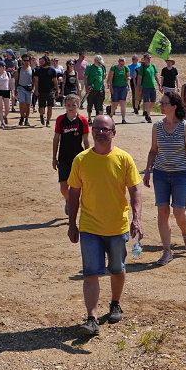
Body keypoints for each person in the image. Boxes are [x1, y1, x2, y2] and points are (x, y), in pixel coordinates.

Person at [66, 114, 143, 336]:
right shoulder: (81, 160)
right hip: (90, 227)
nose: (100, 132)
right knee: (90, 273)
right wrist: (72, 223)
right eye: (97, 128)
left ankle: (115, 303)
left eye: (105, 129)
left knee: (117, 269)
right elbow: (73, 193)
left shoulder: (124, 159)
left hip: (117, 226)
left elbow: (135, 190)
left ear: (113, 132)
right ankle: (91, 318)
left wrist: (136, 218)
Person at [143, 91, 186, 265]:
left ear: (174, 106)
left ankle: (185, 233)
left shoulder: (185, 126)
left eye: (165, 103)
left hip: (180, 174)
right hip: (160, 174)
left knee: (179, 212)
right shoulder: (157, 126)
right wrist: (147, 170)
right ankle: (167, 251)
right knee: (162, 211)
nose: (161, 105)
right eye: (161, 102)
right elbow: (153, 150)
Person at [53, 94, 90, 214]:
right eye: (68, 105)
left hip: (78, 158)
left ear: (78, 105)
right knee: (64, 187)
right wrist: (54, 157)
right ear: (64, 106)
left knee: (77, 185)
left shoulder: (83, 121)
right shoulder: (60, 120)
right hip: (63, 157)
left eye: (73, 105)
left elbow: (85, 140)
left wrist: (87, 156)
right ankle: (70, 201)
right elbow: (56, 138)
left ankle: (74, 205)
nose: (70, 107)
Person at [33, 56, 58, 127]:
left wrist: (57, 90)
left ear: (47, 61)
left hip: (50, 91)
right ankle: (41, 115)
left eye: (42, 61)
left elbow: (55, 81)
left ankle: (48, 121)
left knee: (50, 107)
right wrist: (36, 90)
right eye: (40, 61)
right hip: (41, 91)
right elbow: (36, 81)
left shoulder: (52, 70)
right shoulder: (38, 70)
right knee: (41, 108)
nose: (41, 62)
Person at [137, 53, 160, 123]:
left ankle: (147, 111)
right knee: (147, 101)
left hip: (152, 87)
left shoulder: (153, 66)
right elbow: (139, 78)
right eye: (148, 58)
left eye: (150, 57)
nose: (149, 59)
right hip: (145, 87)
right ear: (144, 59)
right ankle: (149, 116)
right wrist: (139, 87)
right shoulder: (142, 67)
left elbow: (156, 76)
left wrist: (159, 85)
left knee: (153, 101)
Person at [107, 58, 130, 124]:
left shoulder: (126, 68)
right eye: (120, 64)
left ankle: (123, 119)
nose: (121, 65)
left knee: (123, 102)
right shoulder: (114, 68)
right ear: (118, 63)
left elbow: (128, 76)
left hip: (123, 87)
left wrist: (128, 79)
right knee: (115, 103)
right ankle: (111, 115)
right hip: (115, 87)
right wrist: (110, 86)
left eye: (123, 64)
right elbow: (111, 77)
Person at [85, 55, 106, 119]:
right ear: (95, 61)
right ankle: (89, 118)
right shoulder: (89, 67)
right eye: (99, 62)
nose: (100, 64)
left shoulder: (102, 67)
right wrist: (86, 88)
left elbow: (103, 77)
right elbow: (85, 78)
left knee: (100, 106)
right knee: (90, 105)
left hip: (100, 89)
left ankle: (99, 119)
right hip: (91, 90)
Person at [16, 54, 34, 126]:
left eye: (28, 60)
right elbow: (17, 79)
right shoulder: (20, 69)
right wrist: (15, 89)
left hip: (29, 89)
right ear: (22, 61)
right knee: (22, 103)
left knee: (28, 105)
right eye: (25, 60)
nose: (27, 62)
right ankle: (22, 117)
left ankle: (26, 119)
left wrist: (34, 88)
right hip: (21, 88)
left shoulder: (32, 70)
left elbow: (34, 80)